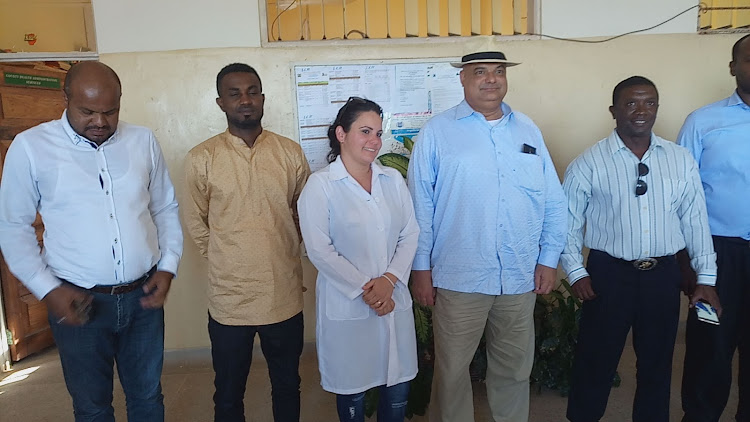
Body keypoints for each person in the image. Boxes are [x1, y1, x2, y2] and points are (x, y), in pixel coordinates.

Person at [0, 61, 183, 421]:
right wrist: (47, 289)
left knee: (147, 398)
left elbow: (165, 207)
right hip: (78, 301)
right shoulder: (32, 147)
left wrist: (168, 266)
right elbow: (12, 227)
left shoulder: (142, 140)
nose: (100, 121)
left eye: (110, 111)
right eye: (87, 111)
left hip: (142, 298)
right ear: (65, 98)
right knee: (92, 407)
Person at [407, 51, 568, 422]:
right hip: (460, 274)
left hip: (518, 275)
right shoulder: (438, 132)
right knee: (451, 371)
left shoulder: (527, 130)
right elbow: (421, 207)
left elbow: (552, 200)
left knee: (513, 369)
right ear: (463, 79)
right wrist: (421, 269)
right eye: (480, 72)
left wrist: (548, 258)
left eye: (498, 72)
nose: (491, 79)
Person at [561, 76, 721, 422]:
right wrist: (576, 271)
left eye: (649, 103)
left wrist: (706, 276)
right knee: (596, 360)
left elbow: (695, 221)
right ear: (614, 110)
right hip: (607, 275)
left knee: (657, 364)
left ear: (657, 109)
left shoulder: (679, 160)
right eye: (631, 103)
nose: (641, 111)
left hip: (662, 276)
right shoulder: (589, 163)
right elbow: (567, 223)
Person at [183, 63, 310, 422]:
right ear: (221, 102)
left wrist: (283, 250)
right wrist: (227, 256)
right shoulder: (202, 157)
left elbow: (305, 214)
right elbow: (196, 222)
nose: (245, 100)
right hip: (230, 299)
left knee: (287, 383)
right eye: (234, 93)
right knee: (227, 390)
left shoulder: (289, 153)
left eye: (252, 91)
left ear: (263, 98)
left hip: (282, 293)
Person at [298, 97, 419, 422]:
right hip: (350, 304)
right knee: (352, 390)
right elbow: (320, 250)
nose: (375, 141)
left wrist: (389, 281)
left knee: (397, 391)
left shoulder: (392, 181)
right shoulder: (320, 186)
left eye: (379, 133)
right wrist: (370, 288)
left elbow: (410, 234)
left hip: (392, 298)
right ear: (341, 134)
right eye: (365, 131)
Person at [679, 34, 750, 422]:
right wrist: (684, 261)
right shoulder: (703, 122)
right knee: (709, 343)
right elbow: (678, 195)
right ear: (733, 67)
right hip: (714, 257)